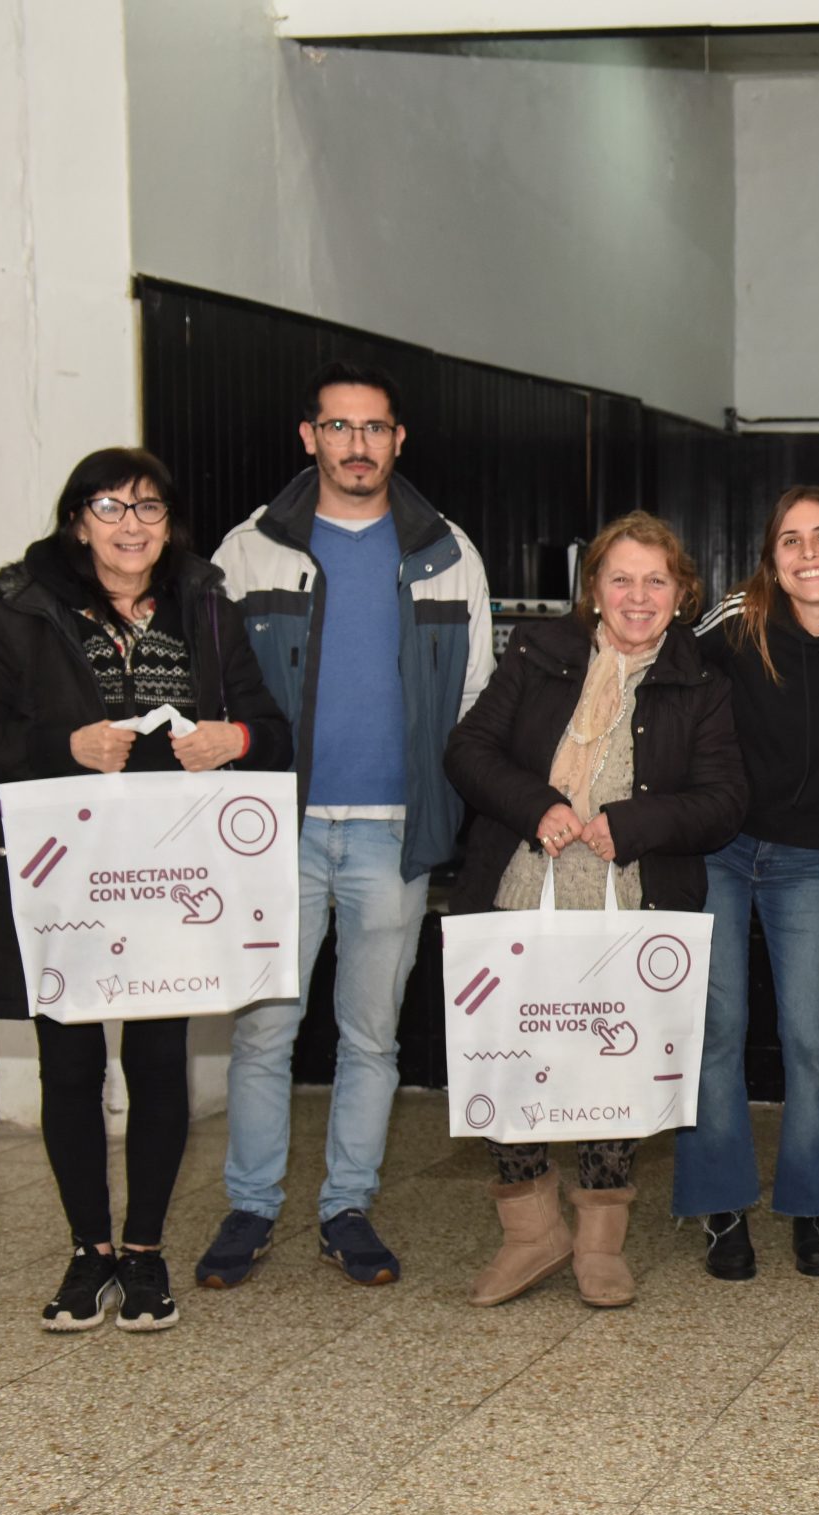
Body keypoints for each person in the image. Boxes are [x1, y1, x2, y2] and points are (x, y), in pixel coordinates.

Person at [0, 449, 292, 1332]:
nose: (131, 525)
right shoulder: (10, 617)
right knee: (70, 1062)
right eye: (110, 506)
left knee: (160, 1061)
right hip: (66, 883)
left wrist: (234, 737)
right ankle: (86, 1250)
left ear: (170, 523)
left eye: (150, 508)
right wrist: (65, 744)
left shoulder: (206, 610)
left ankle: (143, 1252)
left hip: (173, 882)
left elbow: (275, 732)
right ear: (76, 519)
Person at [197, 360, 494, 1290]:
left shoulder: (450, 552)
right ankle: (250, 1206)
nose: (356, 445)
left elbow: (478, 698)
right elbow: (214, 691)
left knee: (371, 1036)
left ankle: (346, 1207)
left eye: (374, 429)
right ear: (309, 436)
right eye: (339, 427)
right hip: (274, 832)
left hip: (393, 835)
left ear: (398, 440)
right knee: (264, 1031)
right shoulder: (249, 550)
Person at [442, 512, 745, 1308]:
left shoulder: (704, 684)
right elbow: (468, 752)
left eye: (655, 581)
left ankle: (601, 1243)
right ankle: (531, 1234)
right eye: (621, 579)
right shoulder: (537, 656)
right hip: (517, 893)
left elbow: (724, 801)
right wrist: (536, 803)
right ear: (594, 590)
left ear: (681, 594)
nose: (637, 596)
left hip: (632, 906)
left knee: (611, 1071)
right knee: (509, 1066)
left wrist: (632, 825)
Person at [676, 486, 819, 1280]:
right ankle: (721, 1205)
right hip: (721, 845)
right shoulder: (737, 618)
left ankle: (810, 1208)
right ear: (771, 556)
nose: (808, 554)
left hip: (813, 857)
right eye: (790, 541)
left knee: (811, 1038)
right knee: (719, 1031)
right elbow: (661, 671)